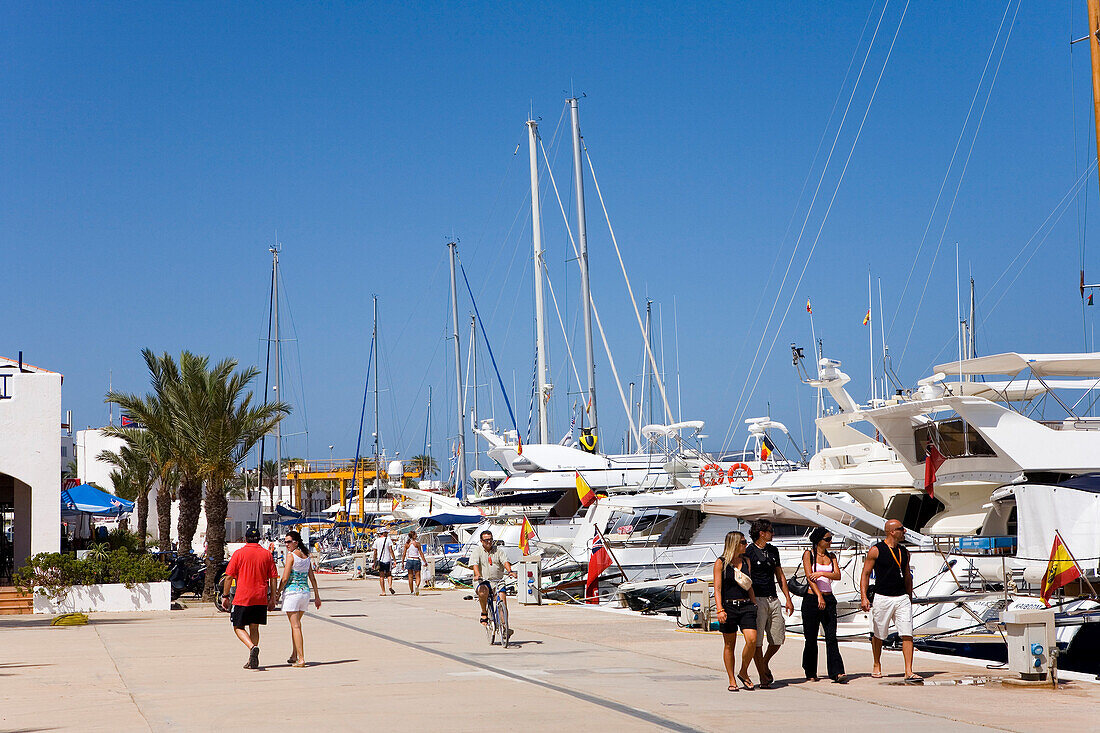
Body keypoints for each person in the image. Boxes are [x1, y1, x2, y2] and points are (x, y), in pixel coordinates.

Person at [860, 519, 919, 682]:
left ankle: (908, 670)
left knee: (907, 633)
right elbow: (865, 574)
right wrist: (864, 597)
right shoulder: (876, 550)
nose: (904, 531)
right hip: (882, 596)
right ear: (891, 531)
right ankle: (876, 663)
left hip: (901, 597)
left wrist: (909, 596)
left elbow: (907, 575)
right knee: (878, 633)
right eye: (901, 529)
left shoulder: (904, 551)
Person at [746, 518, 795, 688]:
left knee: (777, 638)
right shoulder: (749, 552)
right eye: (771, 531)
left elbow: (780, 575)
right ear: (762, 533)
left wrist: (788, 598)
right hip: (757, 598)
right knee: (758, 641)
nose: (773, 534)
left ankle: (764, 663)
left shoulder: (773, 551)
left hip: (773, 598)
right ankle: (762, 676)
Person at [222, 527, 279, 670]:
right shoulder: (267, 555)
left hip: (243, 597)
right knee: (254, 627)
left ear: (245, 539)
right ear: (259, 538)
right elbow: (273, 578)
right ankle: (252, 657)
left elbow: (229, 577)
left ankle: (252, 647)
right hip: (260, 597)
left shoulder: (239, 554)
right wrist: (273, 597)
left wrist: (225, 595)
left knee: (237, 626)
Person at [713, 531, 758, 692]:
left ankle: (743, 671)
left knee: (752, 640)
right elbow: (717, 589)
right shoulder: (721, 562)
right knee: (729, 645)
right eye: (743, 542)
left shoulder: (746, 561)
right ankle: (732, 679)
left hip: (746, 605)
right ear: (734, 543)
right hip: (728, 606)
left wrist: (754, 604)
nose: (746, 545)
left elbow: (749, 584)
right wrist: (720, 609)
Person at [801, 526, 845, 683]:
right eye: (827, 539)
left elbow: (837, 575)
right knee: (811, 638)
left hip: (829, 598)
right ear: (819, 540)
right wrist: (819, 596)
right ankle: (810, 670)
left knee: (831, 636)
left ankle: (837, 672)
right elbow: (809, 577)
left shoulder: (831, 556)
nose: (830, 542)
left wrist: (821, 573)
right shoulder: (809, 554)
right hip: (812, 599)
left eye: (831, 538)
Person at [277, 530, 321, 668]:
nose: (286, 544)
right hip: (305, 594)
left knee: (296, 626)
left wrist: (277, 592)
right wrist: (317, 597)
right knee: (295, 625)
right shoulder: (306, 556)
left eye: (289, 541)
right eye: (285, 542)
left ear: (296, 542)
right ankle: (294, 655)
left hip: (292, 593)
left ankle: (301, 659)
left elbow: (284, 578)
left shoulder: (291, 556)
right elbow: (312, 578)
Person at [469, 529, 514, 636]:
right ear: (481, 541)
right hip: (483, 580)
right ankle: (484, 612)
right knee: (483, 591)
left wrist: (510, 571)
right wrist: (477, 574)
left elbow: (505, 561)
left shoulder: (498, 551)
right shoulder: (477, 551)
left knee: (503, 601)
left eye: (491, 539)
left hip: (498, 581)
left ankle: (505, 626)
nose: (489, 542)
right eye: (486, 540)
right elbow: (475, 564)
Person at [401, 530, 427, 595]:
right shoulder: (417, 544)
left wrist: (402, 562)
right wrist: (424, 561)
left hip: (409, 560)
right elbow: (421, 553)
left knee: (410, 577)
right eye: (416, 534)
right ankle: (417, 586)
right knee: (418, 576)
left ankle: (412, 591)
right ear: (414, 536)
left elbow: (404, 554)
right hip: (416, 560)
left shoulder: (407, 544)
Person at [372, 527, 395, 596]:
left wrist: (374, 561)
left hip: (380, 560)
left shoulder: (376, 541)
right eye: (387, 533)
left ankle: (383, 592)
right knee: (389, 574)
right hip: (388, 559)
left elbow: (375, 552)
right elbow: (391, 550)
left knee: (381, 576)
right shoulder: (388, 540)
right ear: (384, 533)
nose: (387, 534)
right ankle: (390, 586)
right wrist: (394, 559)